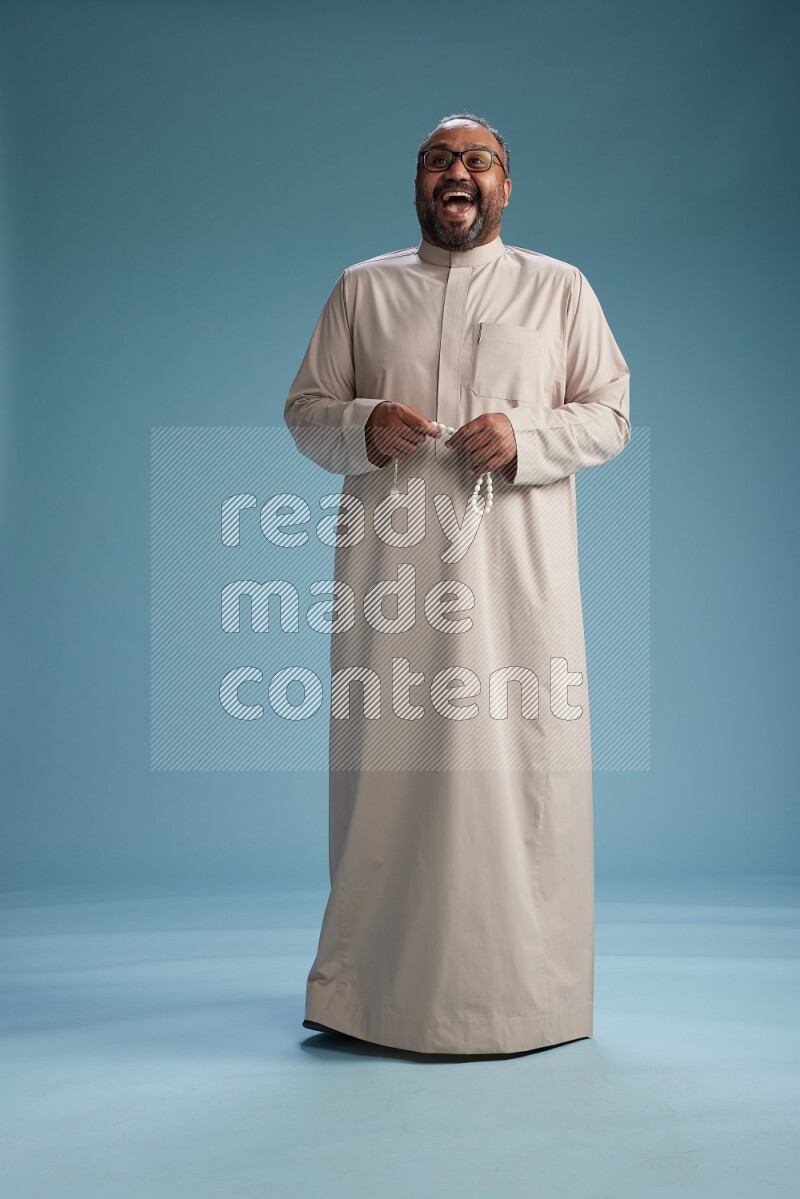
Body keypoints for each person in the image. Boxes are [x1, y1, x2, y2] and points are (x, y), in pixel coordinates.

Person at [283, 112, 631, 1056]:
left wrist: (528, 435)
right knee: (389, 780)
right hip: (391, 589)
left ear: (506, 187)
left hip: (518, 591)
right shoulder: (363, 288)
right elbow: (305, 413)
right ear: (417, 185)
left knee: (518, 779)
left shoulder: (559, 290)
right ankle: (368, 993)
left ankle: (529, 998)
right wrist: (363, 423)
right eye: (441, 160)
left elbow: (609, 414)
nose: (459, 173)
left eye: (479, 160)